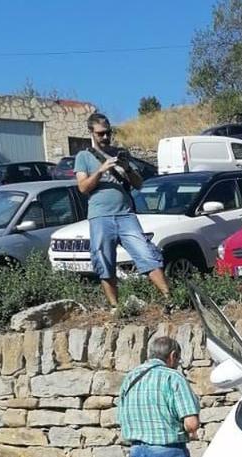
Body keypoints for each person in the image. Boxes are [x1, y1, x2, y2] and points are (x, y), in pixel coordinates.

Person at [75, 112, 174, 314]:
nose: (105, 137)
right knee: (104, 259)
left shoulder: (121, 154)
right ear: (91, 133)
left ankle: (170, 299)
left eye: (108, 133)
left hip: (126, 215)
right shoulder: (84, 156)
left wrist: (127, 168)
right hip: (100, 216)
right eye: (101, 134)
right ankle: (115, 307)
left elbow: (138, 184)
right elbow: (83, 187)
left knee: (146, 253)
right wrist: (102, 170)